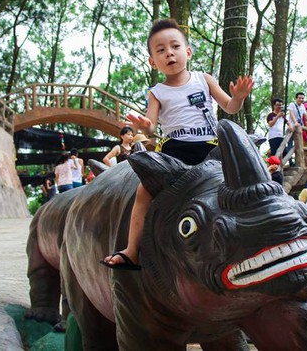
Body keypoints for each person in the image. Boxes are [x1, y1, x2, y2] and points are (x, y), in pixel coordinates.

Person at [101, 19, 253, 270]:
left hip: (210, 148)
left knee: (243, 178)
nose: (169, 53)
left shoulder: (203, 79)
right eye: (160, 50)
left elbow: (229, 107)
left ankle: (255, 230)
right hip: (175, 151)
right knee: (143, 191)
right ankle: (132, 249)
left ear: (188, 52)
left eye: (174, 46)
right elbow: (151, 126)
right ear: (153, 61)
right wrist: (142, 124)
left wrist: (238, 96)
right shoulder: (157, 91)